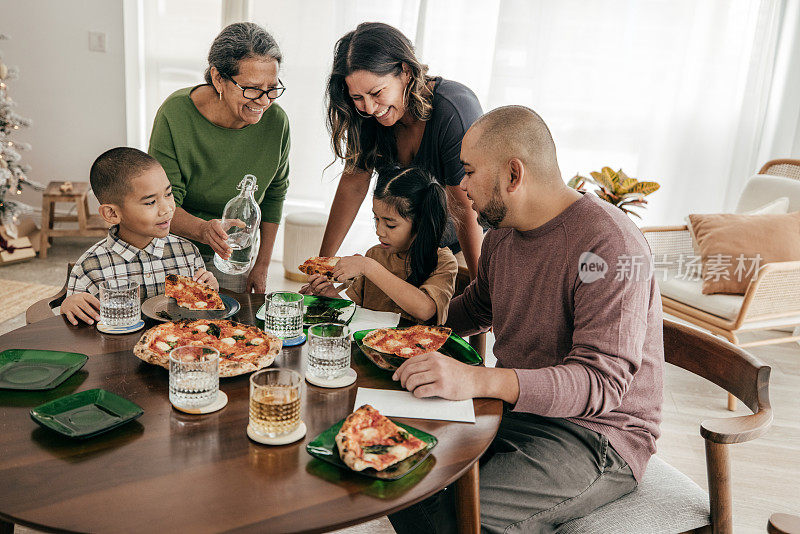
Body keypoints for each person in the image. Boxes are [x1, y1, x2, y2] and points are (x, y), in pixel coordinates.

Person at [389, 106, 665, 533]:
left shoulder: (609, 245)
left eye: (469, 171)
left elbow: (601, 383)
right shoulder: (502, 233)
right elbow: (479, 306)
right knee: (392, 466)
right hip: (515, 410)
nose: (461, 186)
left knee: (452, 519)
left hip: (596, 435)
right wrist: (400, 337)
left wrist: (476, 380)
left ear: (513, 175)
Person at [320, 22, 484, 278]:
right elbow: (353, 183)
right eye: (357, 98)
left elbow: (465, 208)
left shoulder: (453, 110)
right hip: (412, 245)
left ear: (405, 71)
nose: (370, 108)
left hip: (467, 246)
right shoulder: (365, 114)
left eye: (377, 92)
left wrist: (479, 291)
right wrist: (323, 265)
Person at [148, 22, 289, 293]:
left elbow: (274, 194)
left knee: (229, 329)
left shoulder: (277, 122)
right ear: (217, 78)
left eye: (272, 87)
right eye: (251, 88)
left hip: (234, 255)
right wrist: (203, 230)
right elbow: (162, 204)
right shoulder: (175, 114)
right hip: (173, 249)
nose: (263, 101)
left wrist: (261, 265)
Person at [61, 148, 217, 326]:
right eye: (150, 202)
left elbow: (201, 315)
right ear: (111, 213)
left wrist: (210, 290)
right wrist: (69, 305)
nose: (167, 208)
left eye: (168, 194)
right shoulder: (89, 268)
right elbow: (75, 330)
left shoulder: (188, 253)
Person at [301, 166, 457, 324]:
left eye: (390, 225)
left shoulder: (443, 262)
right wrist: (330, 295)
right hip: (372, 344)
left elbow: (425, 310)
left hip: (419, 347)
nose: (379, 231)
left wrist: (369, 267)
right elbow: (357, 314)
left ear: (420, 224)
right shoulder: (375, 255)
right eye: (376, 219)